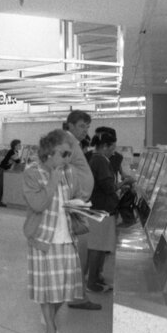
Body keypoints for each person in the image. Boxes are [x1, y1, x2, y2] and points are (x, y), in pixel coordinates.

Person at [23, 129, 86, 333]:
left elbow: (77, 196)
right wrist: (52, 181)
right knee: (47, 289)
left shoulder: (70, 172)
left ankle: (48, 316)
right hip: (43, 239)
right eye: (64, 154)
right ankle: (50, 327)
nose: (68, 159)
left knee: (64, 290)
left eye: (70, 154)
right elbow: (38, 205)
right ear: (49, 153)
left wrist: (80, 206)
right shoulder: (32, 173)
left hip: (67, 236)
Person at [62, 110, 99, 311]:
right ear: (71, 125)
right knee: (79, 252)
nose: (86, 131)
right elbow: (60, 168)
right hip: (75, 204)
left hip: (78, 202)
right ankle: (77, 297)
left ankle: (77, 294)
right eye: (82, 126)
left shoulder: (72, 143)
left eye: (87, 126)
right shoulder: (67, 142)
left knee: (79, 251)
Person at [86, 130, 119, 293]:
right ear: (105, 146)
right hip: (101, 210)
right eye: (112, 147)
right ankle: (92, 281)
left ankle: (96, 277)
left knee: (98, 246)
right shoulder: (100, 161)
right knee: (97, 247)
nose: (114, 150)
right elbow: (108, 186)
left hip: (97, 209)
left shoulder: (96, 159)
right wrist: (123, 184)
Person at [0, 139, 22, 207]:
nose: (20, 146)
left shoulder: (15, 152)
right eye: (19, 145)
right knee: (0, 188)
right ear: (15, 146)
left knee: (2, 187)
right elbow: (18, 161)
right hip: (1, 170)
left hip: (4, 170)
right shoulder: (11, 152)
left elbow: (16, 161)